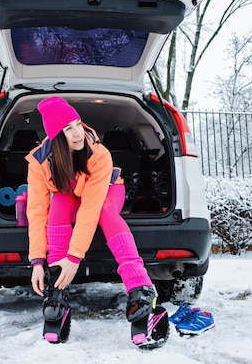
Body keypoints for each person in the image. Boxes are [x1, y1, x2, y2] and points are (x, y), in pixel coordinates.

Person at [25, 95, 164, 345]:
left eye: (78, 123)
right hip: (70, 196)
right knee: (57, 203)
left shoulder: (99, 154)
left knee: (103, 211)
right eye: (68, 129)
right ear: (56, 137)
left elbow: (89, 209)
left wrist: (74, 257)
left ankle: (141, 287)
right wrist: (37, 260)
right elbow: (36, 212)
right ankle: (58, 290)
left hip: (107, 192)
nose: (78, 133)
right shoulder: (39, 163)